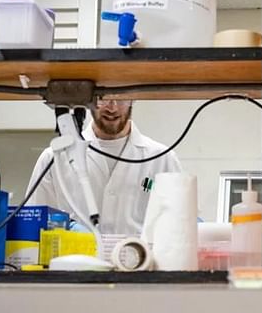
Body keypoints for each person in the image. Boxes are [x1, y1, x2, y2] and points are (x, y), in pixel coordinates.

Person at [26, 98, 182, 235]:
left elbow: (179, 222)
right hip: (75, 264)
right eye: (103, 98)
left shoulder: (162, 158)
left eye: (121, 98)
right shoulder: (55, 157)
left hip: (141, 264)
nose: (112, 107)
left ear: (133, 98)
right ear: (89, 99)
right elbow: (33, 222)